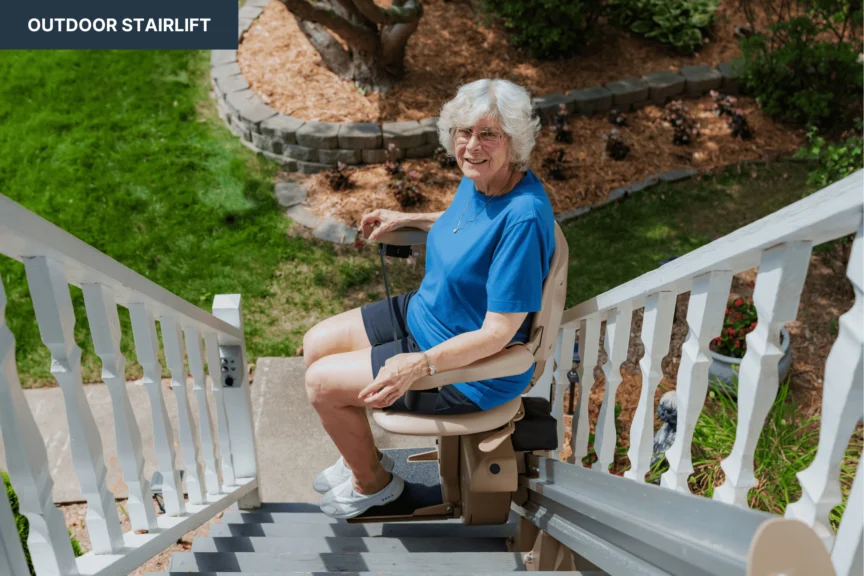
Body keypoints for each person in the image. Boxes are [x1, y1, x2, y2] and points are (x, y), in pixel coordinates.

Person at [302, 78, 556, 519]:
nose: (471, 146)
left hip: (468, 367)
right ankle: (358, 457)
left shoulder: (524, 218)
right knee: (315, 343)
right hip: (427, 312)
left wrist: (418, 365)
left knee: (321, 384)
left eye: (488, 134)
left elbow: (499, 332)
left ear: (514, 141)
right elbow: (469, 222)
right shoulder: (483, 181)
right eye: (464, 132)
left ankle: (375, 486)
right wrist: (412, 218)